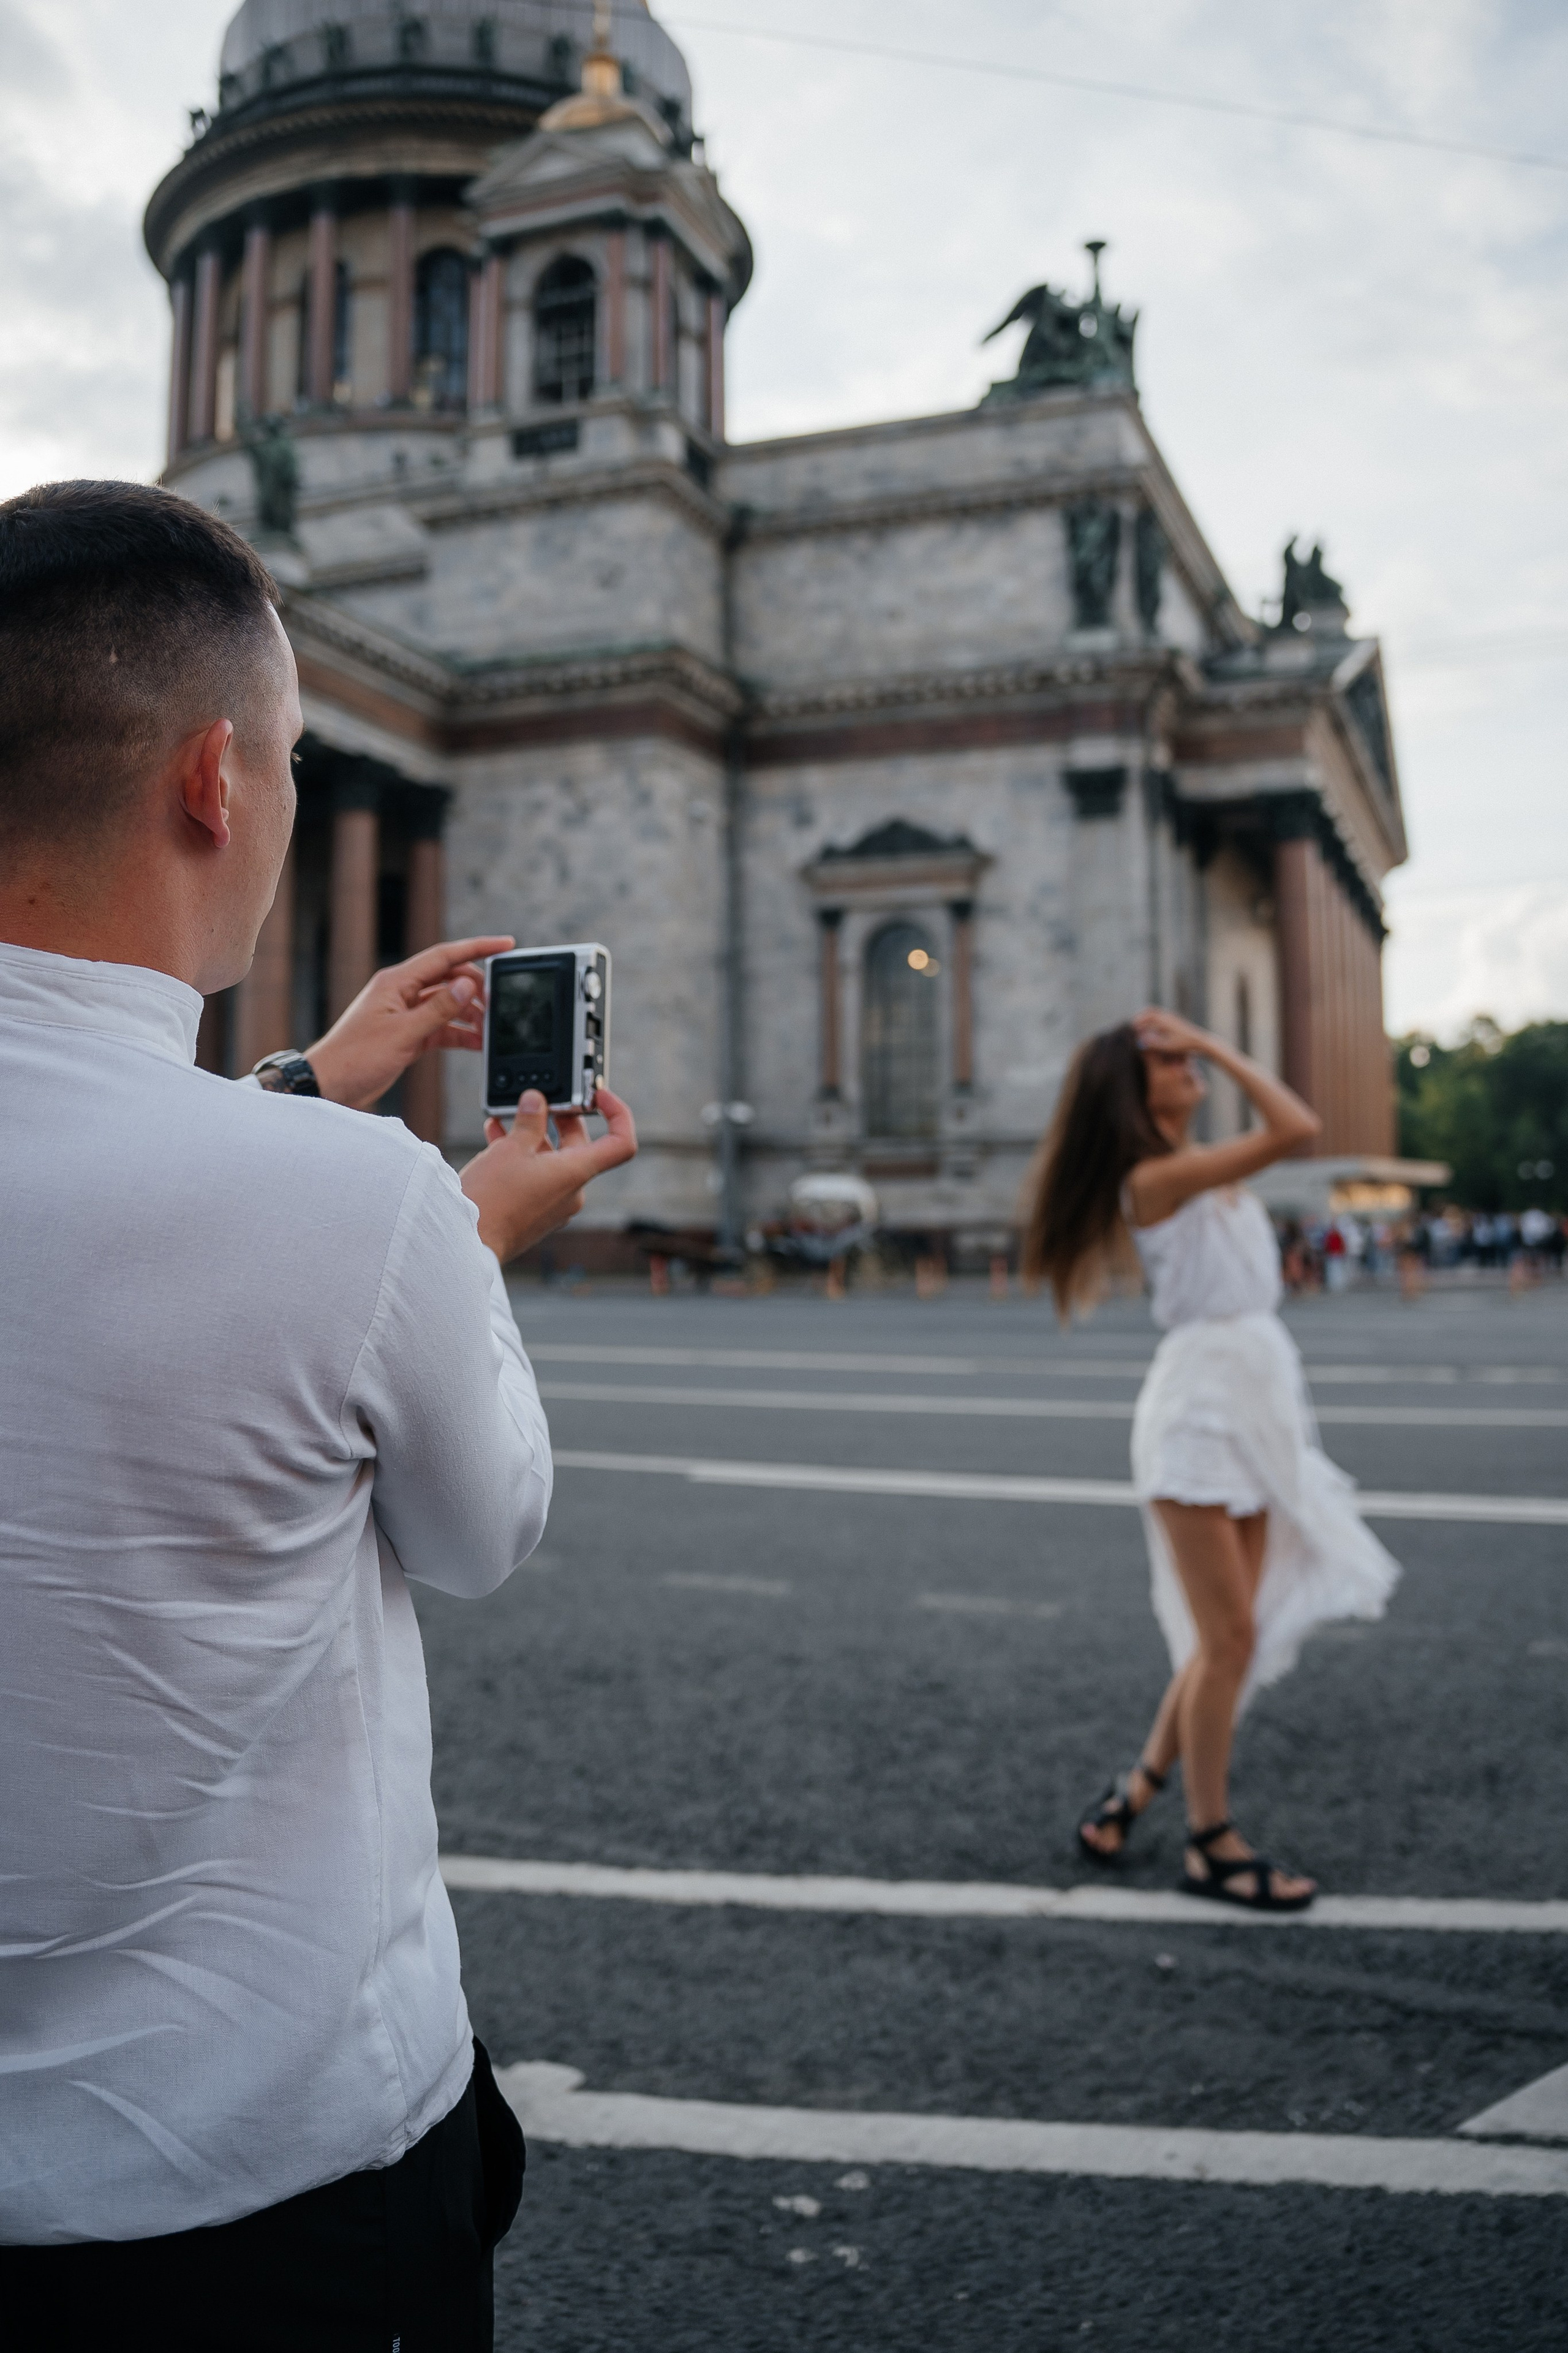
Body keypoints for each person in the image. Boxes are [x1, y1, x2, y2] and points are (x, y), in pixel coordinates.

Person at [0, 481, 636, 2345]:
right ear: (217, 780)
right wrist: (463, 1232)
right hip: (270, 2191)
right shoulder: (368, 1208)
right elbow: (481, 1528)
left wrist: (297, 1083)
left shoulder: (315, 1165)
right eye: (290, 759)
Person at [1020, 1009, 1400, 1911]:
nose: (1187, 1064)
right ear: (1132, 1089)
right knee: (1229, 1640)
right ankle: (1210, 1842)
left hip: (1253, 1407)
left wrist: (1195, 1047)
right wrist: (1218, 1044)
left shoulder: (1202, 1167)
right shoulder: (1156, 1177)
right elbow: (1298, 1127)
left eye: (1188, 1055)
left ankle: (1138, 1791)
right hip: (1199, 1416)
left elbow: (1289, 1133)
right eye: (1168, 1060)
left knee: (1230, 1638)